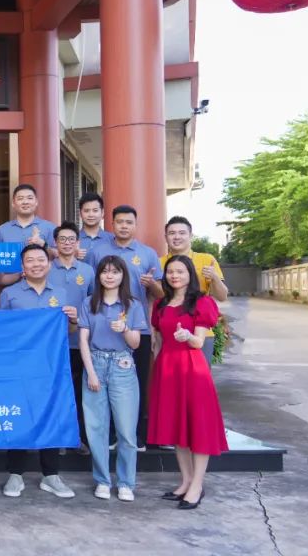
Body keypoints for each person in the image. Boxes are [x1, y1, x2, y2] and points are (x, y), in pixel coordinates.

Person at [0, 243, 78, 499]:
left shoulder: (61, 293)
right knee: (19, 414)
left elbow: (69, 331)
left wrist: (73, 320)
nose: (36, 264)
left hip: (51, 366)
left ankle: (51, 475)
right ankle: (15, 474)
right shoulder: (10, 294)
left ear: (49, 264)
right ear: (22, 267)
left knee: (51, 414)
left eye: (40, 259)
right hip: (19, 366)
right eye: (30, 260)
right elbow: (0, 330)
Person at [150, 255, 229, 510]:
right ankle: (185, 481)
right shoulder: (161, 304)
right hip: (167, 369)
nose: (175, 276)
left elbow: (198, 342)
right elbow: (158, 341)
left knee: (197, 427)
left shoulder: (201, 302)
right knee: (177, 427)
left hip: (192, 369)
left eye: (180, 271)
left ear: (189, 274)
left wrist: (187, 336)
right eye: (170, 271)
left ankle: (197, 485)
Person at [86, 205, 163, 449]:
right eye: (119, 222)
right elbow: (90, 288)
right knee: (104, 384)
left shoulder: (147, 254)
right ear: (112, 224)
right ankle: (109, 435)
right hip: (102, 328)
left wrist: (151, 284)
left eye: (129, 222)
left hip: (136, 329)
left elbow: (161, 294)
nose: (124, 226)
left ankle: (135, 435)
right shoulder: (98, 251)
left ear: (135, 225)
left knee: (135, 384)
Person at [78, 255, 146, 502]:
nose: (109, 276)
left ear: (122, 276)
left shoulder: (132, 305)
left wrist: (125, 329)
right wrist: (91, 372)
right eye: (105, 271)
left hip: (122, 365)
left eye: (115, 272)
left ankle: (126, 482)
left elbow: (136, 343)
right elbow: (83, 340)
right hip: (95, 363)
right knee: (96, 428)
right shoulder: (89, 302)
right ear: (98, 276)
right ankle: (102, 480)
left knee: (126, 430)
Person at [49, 223, 95, 454]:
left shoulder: (88, 271)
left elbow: (94, 303)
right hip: (52, 344)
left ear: (78, 243)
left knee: (78, 392)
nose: (67, 243)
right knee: (56, 390)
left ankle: (77, 437)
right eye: (62, 239)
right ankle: (56, 438)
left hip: (80, 343)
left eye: (71, 239)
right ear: (55, 243)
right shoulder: (46, 268)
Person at [161, 216, 228, 361]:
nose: (177, 237)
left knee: (199, 374)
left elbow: (222, 296)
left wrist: (214, 277)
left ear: (191, 235)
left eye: (182, 233)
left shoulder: (206, 260)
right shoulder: (160, 262)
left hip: (201, 333)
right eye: (172, 233)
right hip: (169, 332)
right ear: (165, 237)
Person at [0, 184, 58, 286]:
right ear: (13, 203)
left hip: (43, 288)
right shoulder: (2, 230)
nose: (25, 202)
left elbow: (58, 257)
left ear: (36, 202)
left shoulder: (50, 228)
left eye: (29, 198)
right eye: (20, 198)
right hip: (11, 289)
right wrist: (20, 273)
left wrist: (43, 245)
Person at [76, 192, 115, 260]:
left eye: (95, 210)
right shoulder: (72, 240)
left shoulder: (112, 239)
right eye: (86, 211)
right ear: (80, 213)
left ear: (102, 213)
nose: (91, 215)